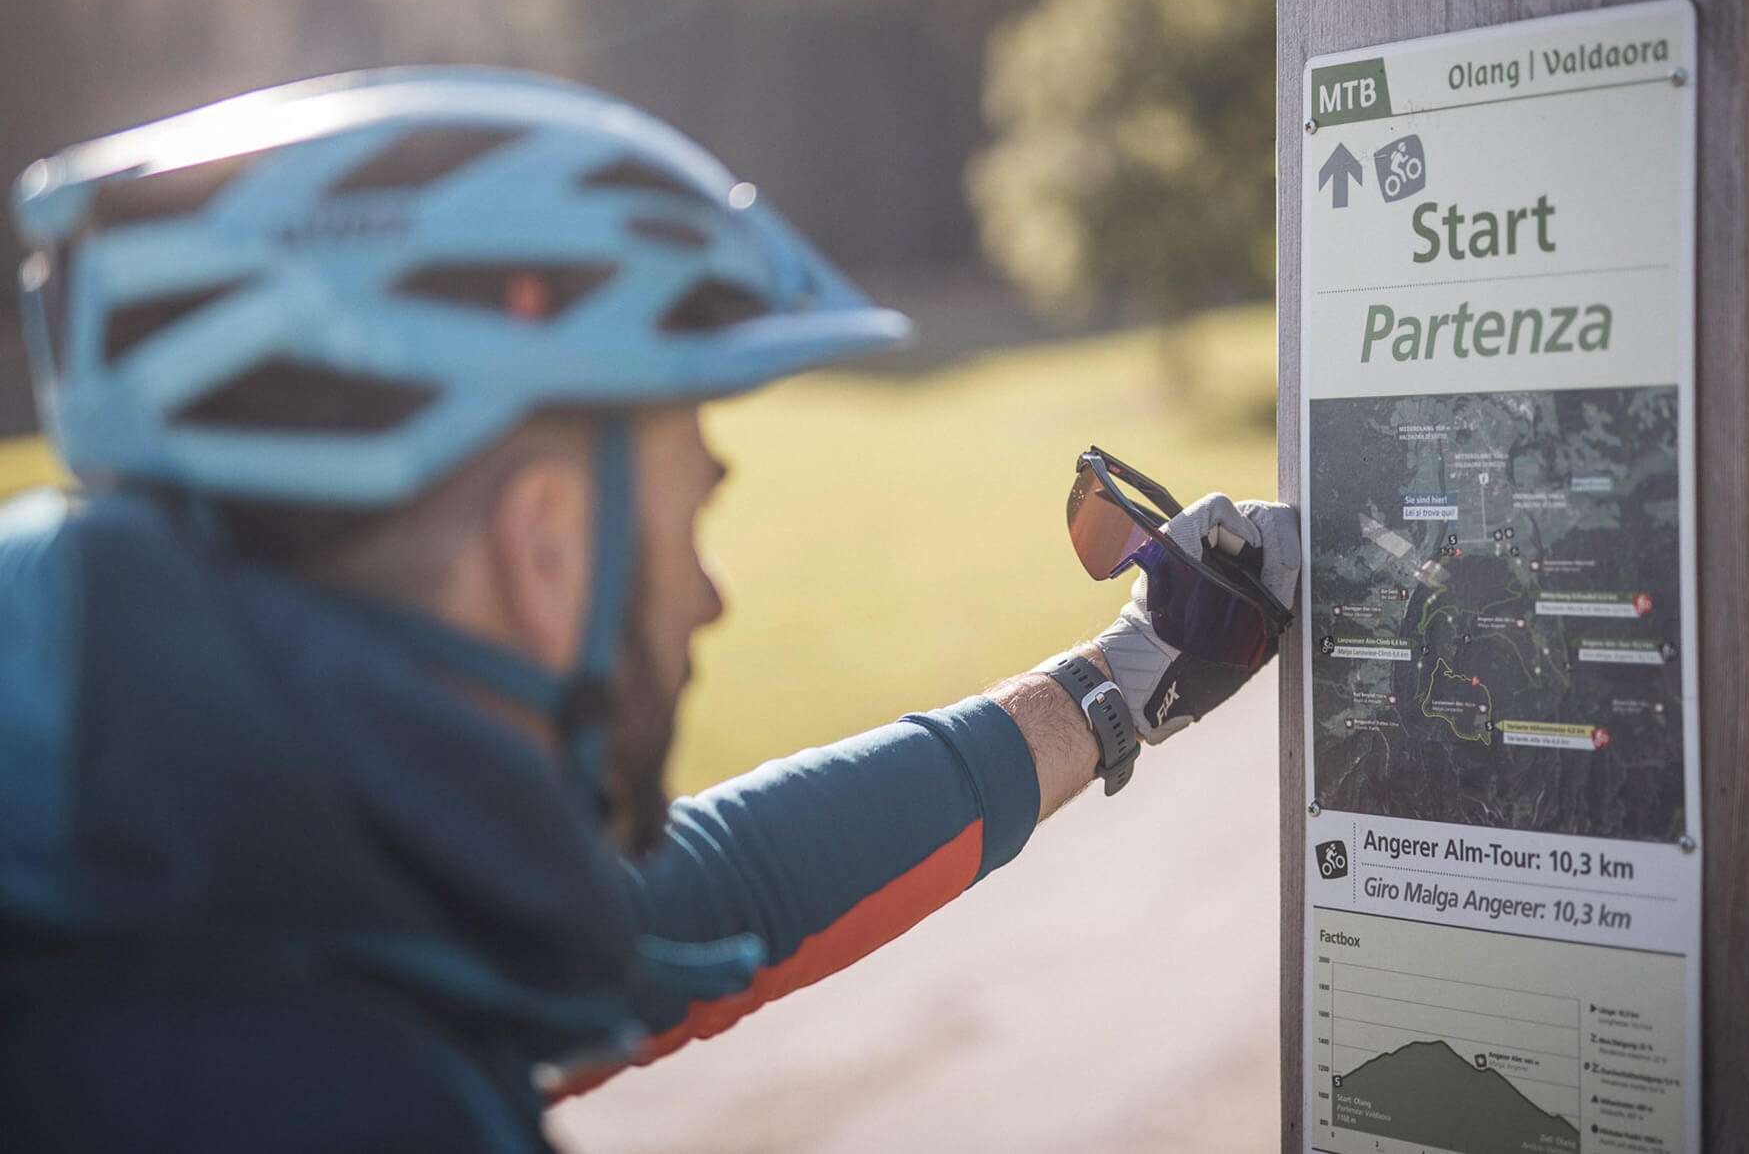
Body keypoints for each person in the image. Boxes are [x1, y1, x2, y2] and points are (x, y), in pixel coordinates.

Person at [0, 67, 1298, 1151]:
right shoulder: (349, 1100)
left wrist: (1123, 681)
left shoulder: (185, 855)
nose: (711, 594)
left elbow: (678, 905)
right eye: (688, 517)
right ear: (547, 543)